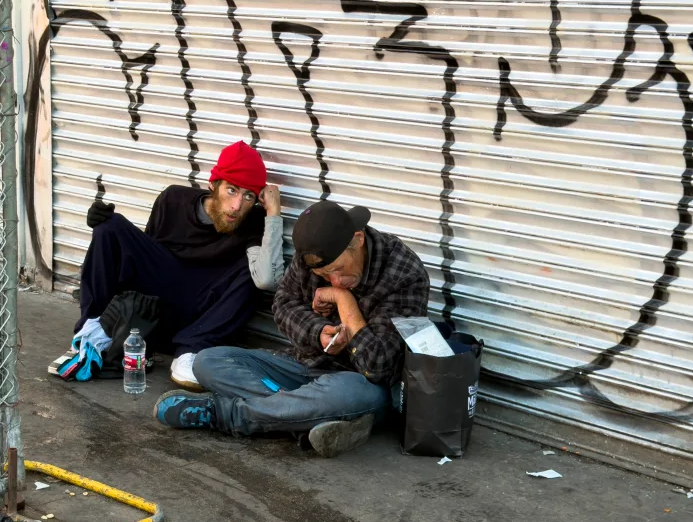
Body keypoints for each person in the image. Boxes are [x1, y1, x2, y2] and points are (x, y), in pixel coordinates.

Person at [153, 200, 431, 457]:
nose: (334, 281)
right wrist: (317, 331)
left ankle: (229, 415)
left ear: (357, 240)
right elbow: (283, 305)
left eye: (339, 270)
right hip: (303, 367)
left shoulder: (404, 272)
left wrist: (344, 300)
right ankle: (301, 419)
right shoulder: (311, 256)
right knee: (208, 361)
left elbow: (379, 367)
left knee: (353, 395)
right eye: (324, 276)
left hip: (359, 383)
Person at [51, 141, 285, 389]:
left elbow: (267, 279)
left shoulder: (253, 223)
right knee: (111, 226)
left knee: (252, 274)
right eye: (231, 190)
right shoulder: (173, 200)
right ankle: (92, 335)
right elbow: (143, 260)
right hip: (157, 310)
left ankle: (189, 354)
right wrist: (104, 225)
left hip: (202, 319)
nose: (237, 206)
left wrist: (273, 212)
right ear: (213, 184)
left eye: (248, 196)